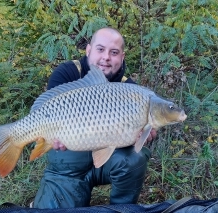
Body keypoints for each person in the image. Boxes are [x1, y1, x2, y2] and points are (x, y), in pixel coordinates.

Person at [33, 27, 157, 209]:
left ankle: (122, 209)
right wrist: (49, 139)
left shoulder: (131, 90)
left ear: (122, 57)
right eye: (100, 49)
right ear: (88, 50)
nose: (106, 57)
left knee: (135, 158)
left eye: (114, 52)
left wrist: (142, 137)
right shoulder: (66, 73)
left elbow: (132, 140)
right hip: (68, 166)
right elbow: (45, 113)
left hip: (106, 164)